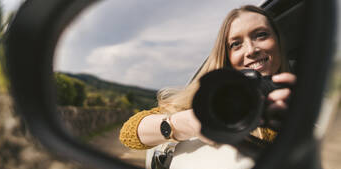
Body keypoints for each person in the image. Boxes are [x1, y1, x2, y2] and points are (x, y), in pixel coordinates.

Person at [119, 5, 296, 151]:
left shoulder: (308, 87)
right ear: (227, 57)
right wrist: (186, 123)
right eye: (236, 44)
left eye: (261, 35)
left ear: (278, 40)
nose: (251, 50)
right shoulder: (218, 101)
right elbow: (129, 133)